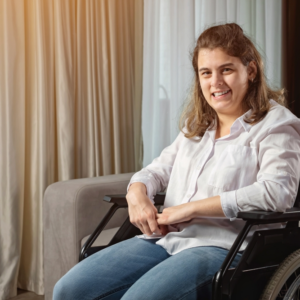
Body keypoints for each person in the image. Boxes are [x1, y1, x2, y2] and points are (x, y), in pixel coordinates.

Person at [53, 23, 300, 300]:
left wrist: (188, 210)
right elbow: (156, 171)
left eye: (226, 70)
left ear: (250, 71)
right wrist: (136, 192)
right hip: (166, 239)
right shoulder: (197, 127)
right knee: (68, 290)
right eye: (206, 73)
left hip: (225, 247)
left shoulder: (276, 124)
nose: (215, 82)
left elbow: (277, 192)